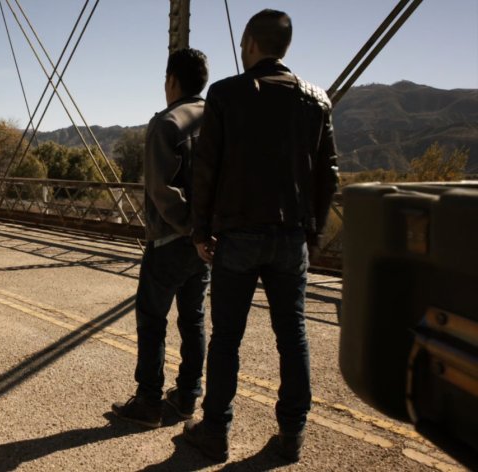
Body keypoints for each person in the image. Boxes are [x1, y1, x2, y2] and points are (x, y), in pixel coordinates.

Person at [183, 9, 339, 463]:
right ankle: (291, 436)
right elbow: (328, 173)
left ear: (250, 42)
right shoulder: (316, 98)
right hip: (291, 236)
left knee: (227, 337)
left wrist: (200, 229)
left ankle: (215, 432)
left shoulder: (227, 93)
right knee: (293, 335)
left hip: (238, 233)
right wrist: (314, 231)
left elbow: (206, 166)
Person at [111, 48, 212, 428]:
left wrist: (187, 226)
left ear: (171, 81)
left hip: (171, 240)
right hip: (205, 244)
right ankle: (187, 396)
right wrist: (206, 231)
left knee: (152, 319)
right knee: (194, 318)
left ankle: (149, 401)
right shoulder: (218, 119)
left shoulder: (167, 123)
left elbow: (160, 188)